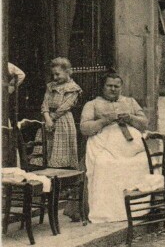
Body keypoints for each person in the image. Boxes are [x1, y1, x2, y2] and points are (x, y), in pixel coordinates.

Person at [81, 71, 156, 223]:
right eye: (109, 86)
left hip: (132, 147)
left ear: (121, 87)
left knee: (144, 161)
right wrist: (104, 120)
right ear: (103, 87)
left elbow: (144, 123)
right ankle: (112, 211)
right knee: (105, 165)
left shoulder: (130, 102)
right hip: (104, 146)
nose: (113, 89)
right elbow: (84, 128)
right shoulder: (92, 104)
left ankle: (140, 208)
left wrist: (130, 118)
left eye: (116, 86)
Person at [36, 58, 81, 169]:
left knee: (60, 154)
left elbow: (64, 107)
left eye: (57, 74)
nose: (55, 77)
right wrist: (47, 118)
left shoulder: (73, 88)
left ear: (67, 71)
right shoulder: (51, 86)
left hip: (62, 121)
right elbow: (45, 103)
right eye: (53, 75)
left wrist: (51, 118)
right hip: (47, 120)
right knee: (44, 151)